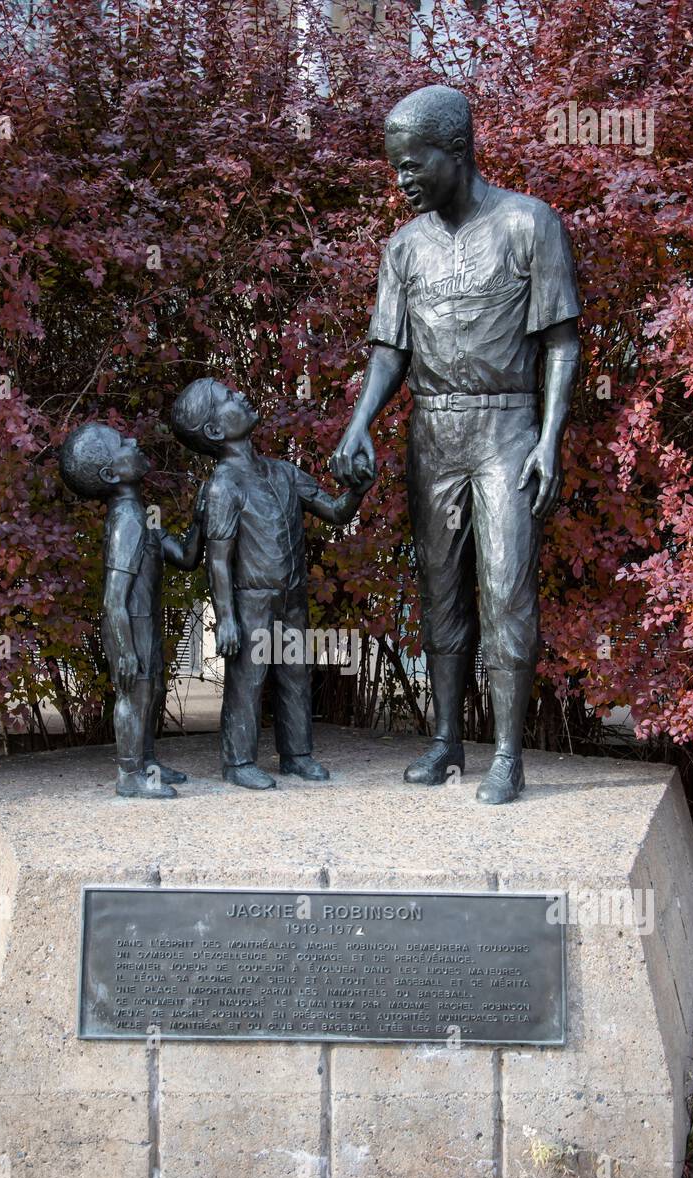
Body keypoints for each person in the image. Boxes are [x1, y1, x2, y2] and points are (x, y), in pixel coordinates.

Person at [331, 85, 581, 804]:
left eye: (412, 165)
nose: (401, 180)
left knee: (506, 590)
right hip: (431, 429)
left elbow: (561, 343)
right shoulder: (403, 247)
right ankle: (445, 741)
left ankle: (506, 754)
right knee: (439, 592)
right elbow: (389, 353)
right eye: (394, 168)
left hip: (506, 427)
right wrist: (357, 424)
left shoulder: (528, 224)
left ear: (456, 150)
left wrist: (549, 439)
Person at [170, 378, 371, 789]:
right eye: (227, 397)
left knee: (295, 673)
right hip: (251, 600)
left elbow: (333, 511)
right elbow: (219, 559)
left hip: (292, 595)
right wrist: (225, 616)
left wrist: (358, 489)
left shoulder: (282, 472)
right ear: (213, 431)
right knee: (248, 679)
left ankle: (296, 754)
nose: (240, 393)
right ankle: (238, 761)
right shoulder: (225, 487)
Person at [59, 422, 204, 799]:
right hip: (128, 624)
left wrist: (201, 520)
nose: (134, 441)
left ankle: (148, 763)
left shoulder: (143, 514)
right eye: (123, 444)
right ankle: (129, 774)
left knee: (151, 690)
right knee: (133, 695)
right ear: (111, 474)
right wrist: (124, 649)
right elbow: (112, 598)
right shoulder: (127, 520)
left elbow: (186, 558)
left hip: (145, 621)